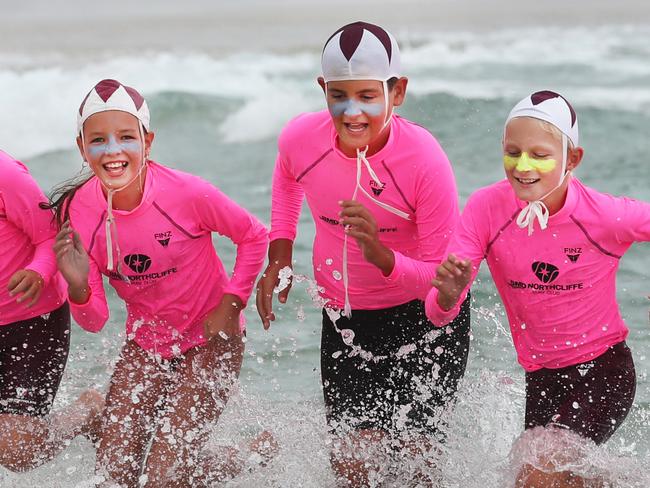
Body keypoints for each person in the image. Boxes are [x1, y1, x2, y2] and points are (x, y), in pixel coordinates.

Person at [256, 21, 470, 485]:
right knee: (352, 463)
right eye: (339, 96)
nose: (352, 112)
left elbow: (441, 280)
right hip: (346, 319)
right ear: (323, 89)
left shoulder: (424, 162)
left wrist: (380, 254)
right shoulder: (300, 139)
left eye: (368, 96)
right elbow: (287, 178)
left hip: (424, 319)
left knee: (417, 465)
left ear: (398, 92)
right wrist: (280, 255)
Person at [51, 79, 270, 487]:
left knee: (163, 480)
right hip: (146, 342)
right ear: (82, 148)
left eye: (126, 138)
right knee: (114, 476)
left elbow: (255, 235)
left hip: (212, 339)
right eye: (98, 140)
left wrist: (232, 303)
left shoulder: (185, 193)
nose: (112, 151)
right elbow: (96, 320)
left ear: (147, 141)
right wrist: (78, 288)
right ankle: (218, 456)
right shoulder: (79, 215)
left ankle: (247, 455)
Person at [425, 90, 648, 487]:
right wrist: (448, 293)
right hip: (542, 379)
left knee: (537, 476)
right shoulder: (486, 209)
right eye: (513, 152)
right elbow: (440, 311)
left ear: (572, 159)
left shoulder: (604, 216)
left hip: (604, 371)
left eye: (539, 155)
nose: (522, 166)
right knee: (544, 480)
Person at [0, 150, 103, 471]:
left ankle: (86, 411)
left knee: (18, 452)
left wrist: (38, 272)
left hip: (30, 323)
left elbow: (50, 235)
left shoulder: (5, 174)